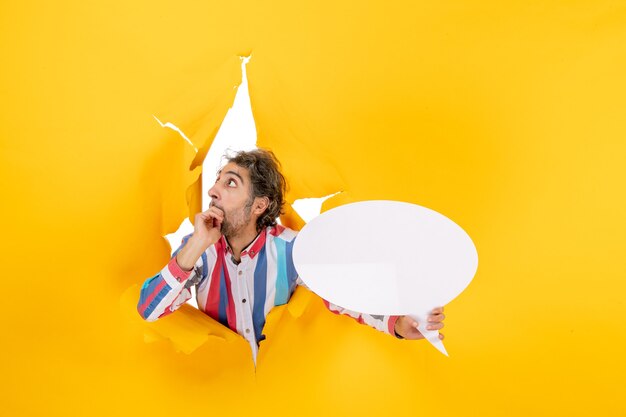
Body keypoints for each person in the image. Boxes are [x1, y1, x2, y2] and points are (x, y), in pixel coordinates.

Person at [137, 149, 445, 362]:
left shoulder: (293, 250)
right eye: (217, 180)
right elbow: (149, 309)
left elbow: (341, 297)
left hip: (282, 389)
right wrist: (195, 245)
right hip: (219, 390)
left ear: (259, 205)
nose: (214, 190)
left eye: (230, 182)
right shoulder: (198, 252)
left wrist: (396, 323)